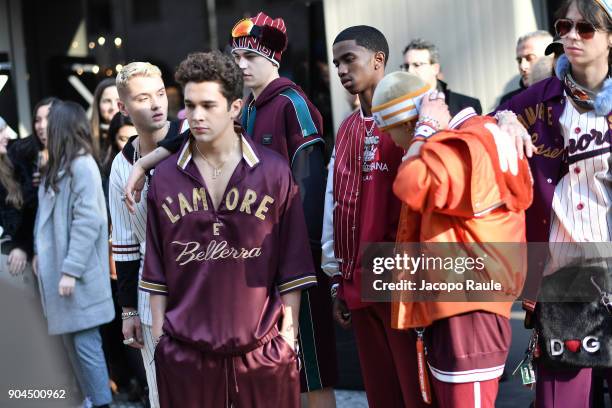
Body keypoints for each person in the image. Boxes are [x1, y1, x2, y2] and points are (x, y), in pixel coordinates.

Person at [139, 51, 316, 407]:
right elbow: (156, 267)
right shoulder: (166, 178)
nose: (197, 116)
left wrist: (288, 337)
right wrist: (159, 339)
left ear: (235, 107)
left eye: (208, 105)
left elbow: (292, 261)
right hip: (185, 352)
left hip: (263, 350)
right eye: (190, 105)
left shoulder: (274, 171)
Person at [371, 71, 533, 407]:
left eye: (394, 134)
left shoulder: (466, 140)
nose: (397, 145)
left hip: (470, 306)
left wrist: (425, 130)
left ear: (408, 123)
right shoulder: (477, 133)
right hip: (458, 303)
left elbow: (410, 184)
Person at [496, 0, 612, 406]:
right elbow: (485, 123)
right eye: (566, 25)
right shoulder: (537, 102)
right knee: (560, 398)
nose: (572, 35)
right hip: (568, 271)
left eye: (587, 29)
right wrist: (504, 122)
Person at [322, 25, 427, 408]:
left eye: (349, 59)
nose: (341, 70)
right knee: (380, 394)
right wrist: (337, 278)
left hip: (403, 283)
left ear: (378, 60)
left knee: (416, 392)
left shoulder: (412, 123)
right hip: (357, 283)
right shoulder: (347, 128)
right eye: (336, 63)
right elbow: (335, 207)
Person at [110, 61, 183, 408]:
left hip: (200, 285)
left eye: (159, 94)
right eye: (142, 98)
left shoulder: (189, 140)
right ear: (123, 108)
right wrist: (128, 312)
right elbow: (123, 243)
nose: (155, 104)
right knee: (161, 393)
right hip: (148, 291)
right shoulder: (121, 165)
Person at [33, 100, 114, 408]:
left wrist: (70, 270)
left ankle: (102, 402)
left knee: (85, 347)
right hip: (63, 275)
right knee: (73, 347)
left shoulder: (81, 164)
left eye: (49, 123)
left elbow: (88, 220)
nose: (43, 128)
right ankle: (92, 400)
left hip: (76, 277)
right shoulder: (59, 164)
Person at [8, 97, 59, 261]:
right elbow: (17, 207)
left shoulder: (76, 156)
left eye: (48, 119)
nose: (42, 126)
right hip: (36, 245)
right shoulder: (22, 152)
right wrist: (25, 246)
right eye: (37, 120)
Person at [401, 38, 482, 115]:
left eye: (417, 65)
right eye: (406, 66)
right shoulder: (398, 107)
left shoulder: (467, 106)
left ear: (435, 69)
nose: (409, 71)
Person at [0, 116, 28, 276]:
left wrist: (21, 245)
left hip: (16, 255)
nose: (6, 136)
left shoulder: (12, 165)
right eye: (1, 131)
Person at [499, 30, 553, 104]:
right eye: (519, 60)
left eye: (530, 58)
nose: (522, 66)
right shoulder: (509, 102)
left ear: (551, 58)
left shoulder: (568, 94)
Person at [91, 78, 121, 168]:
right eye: (107, 101)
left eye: (118, 100)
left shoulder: (136, 134)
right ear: (98, 104)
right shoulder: (86, 136)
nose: (113, 107)